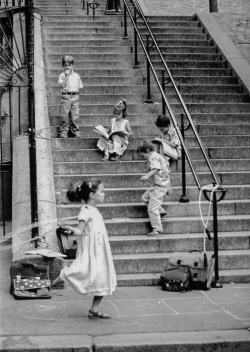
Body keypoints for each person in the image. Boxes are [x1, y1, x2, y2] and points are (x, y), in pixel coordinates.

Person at [52, 180, 117, 319]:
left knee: (103, 278)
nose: (104, 194)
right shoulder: (86, 210)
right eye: (101, 191)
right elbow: (80, 231)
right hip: (93, 249)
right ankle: (64, 275)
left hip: (100, 249)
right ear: (92, 195)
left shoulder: (93, 210)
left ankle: (94, 309)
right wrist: (71, 229)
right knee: (84, 270)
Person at [137, 141, 171, 237]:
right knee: (145, 198)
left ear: (148, 151)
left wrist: (147, 176)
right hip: (158, 185)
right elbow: (167, 172)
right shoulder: (160, 156)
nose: (143, 158)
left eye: (143, 156)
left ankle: (157, 228)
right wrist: (169, 186)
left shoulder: (152, 157)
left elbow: (155, 168)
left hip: (159, 187)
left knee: (152, 209)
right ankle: (161, 211)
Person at [58, 55, 83, 138]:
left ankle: (75, 131)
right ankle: (63, 131)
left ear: (73, 66)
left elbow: (79, 87)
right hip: (66, 96)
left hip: (75, 96)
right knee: (64, 115)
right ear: (63, 66)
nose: (68, 67)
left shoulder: (76, 76)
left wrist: (76, 96)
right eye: (66, 65)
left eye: (69, 65)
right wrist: (66, 76)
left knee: (75, 115)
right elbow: (62, 85)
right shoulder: (62, 75)